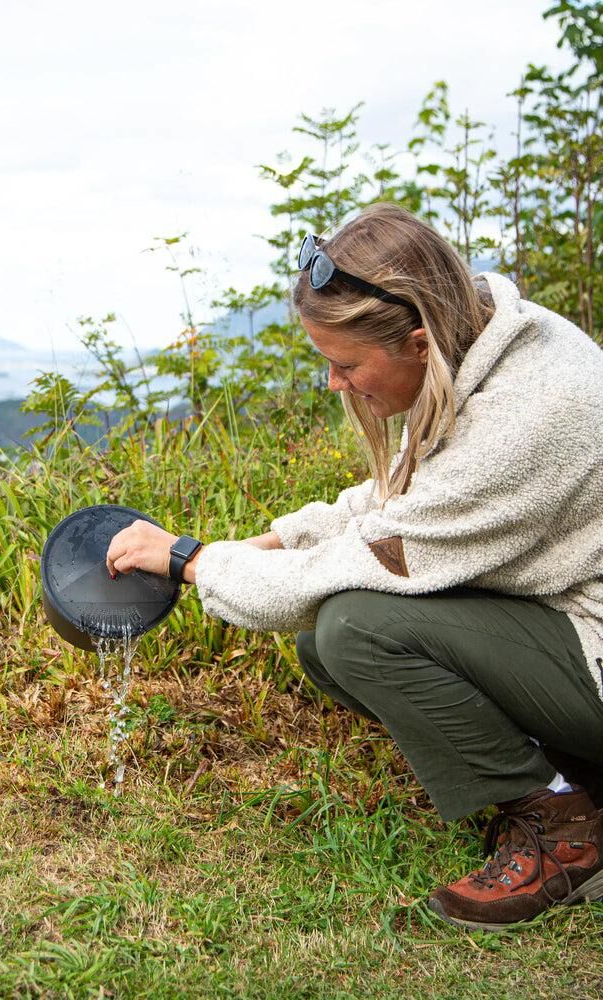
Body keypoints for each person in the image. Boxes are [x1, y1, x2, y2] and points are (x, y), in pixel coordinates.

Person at [104, 202, 603, 931]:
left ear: (417, 339)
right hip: (573, 626)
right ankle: (573, 781)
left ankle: (565, 829)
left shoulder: (531, 413)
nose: (336, 385)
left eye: (345, 365)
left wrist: (189, 561)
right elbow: (389, 500)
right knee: (328, 644)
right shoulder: (485, 338)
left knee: (355, 631)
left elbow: (349, 569)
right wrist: (258, 545)